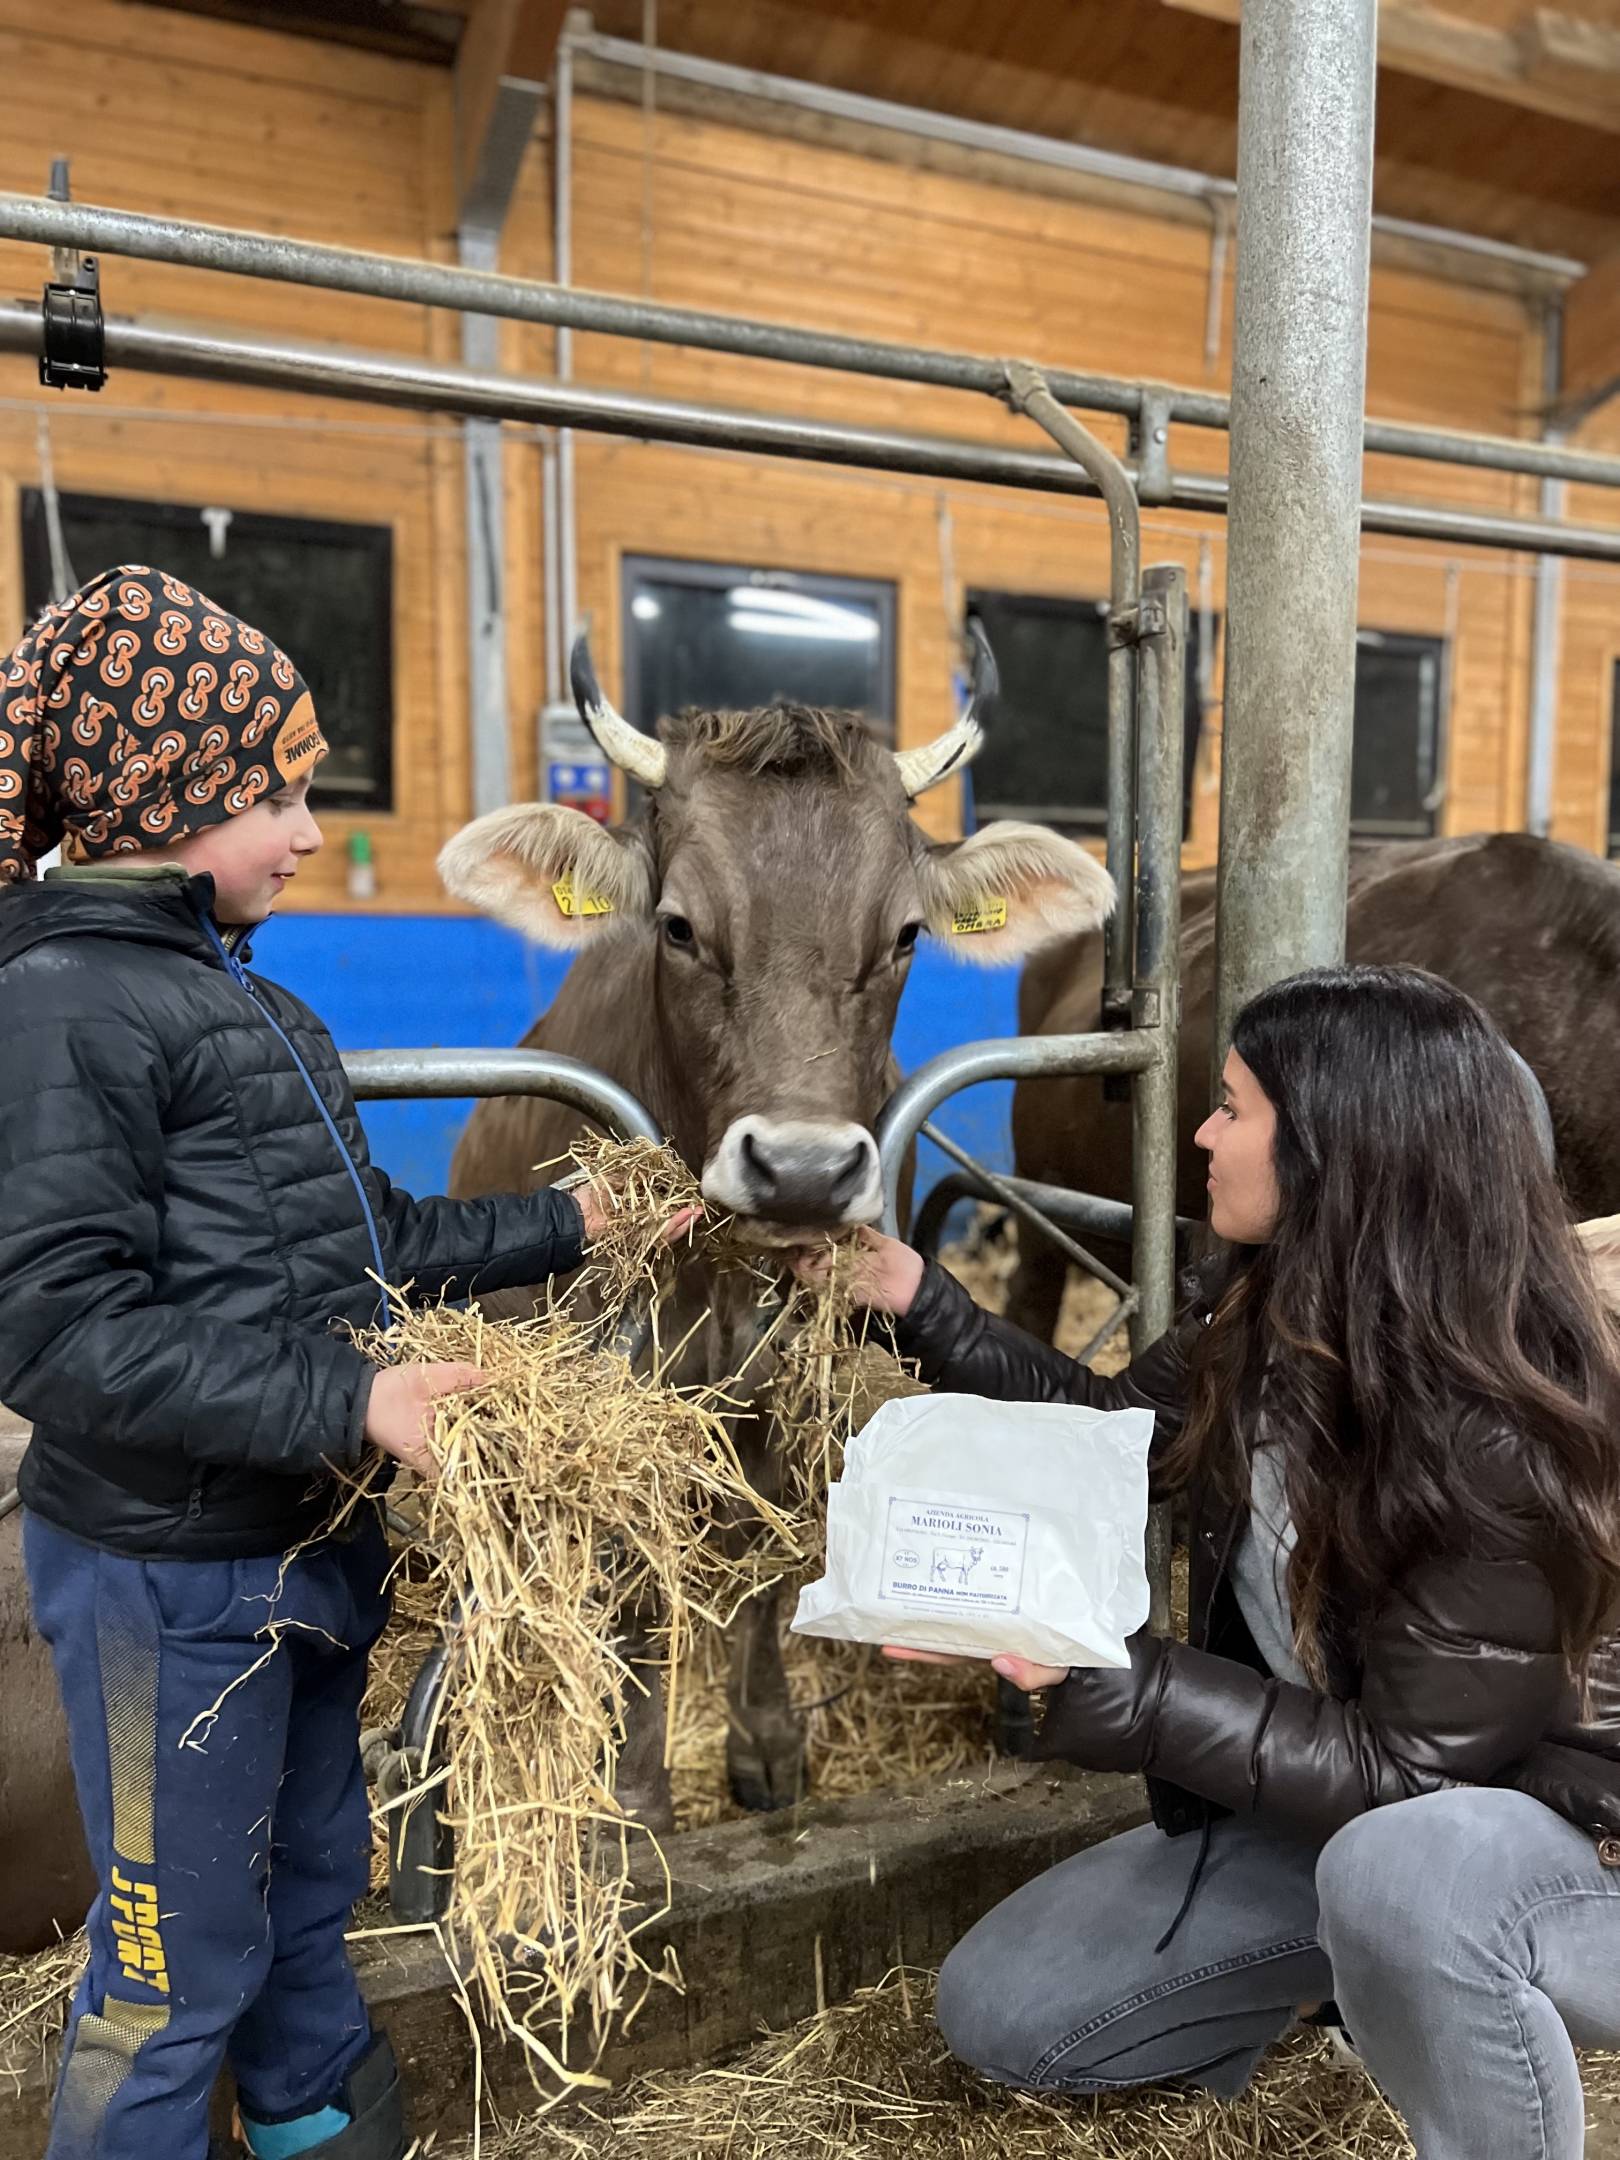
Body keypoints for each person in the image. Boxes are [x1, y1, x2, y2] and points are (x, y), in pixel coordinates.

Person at [0, 566, 689, 2160]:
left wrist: (569, 1226)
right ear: (168, 792)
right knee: (170, 1971)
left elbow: (371, 1238)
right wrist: (351, 1400)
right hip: (166, 1583)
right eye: (279, 792)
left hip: (302, 1555)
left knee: (316, 1894)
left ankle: (326, 2130)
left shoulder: (257, 1012)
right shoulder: (60, 1009)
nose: (309, 829)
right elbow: (52, 1327)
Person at [799, 965, 1620, 2160]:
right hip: (1357, 1805)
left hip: (1543, 1843)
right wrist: (923, 1303)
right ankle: (1367, 1975)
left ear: (1334, 1150)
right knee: (1008, 2013)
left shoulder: (1497, 1422)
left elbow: (1415, 1781)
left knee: (1408, 1875)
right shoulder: (1273, 1317)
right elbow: (1110, 1437)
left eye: (1233, 1106)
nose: (1201, 1132)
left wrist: (1129, 1691)